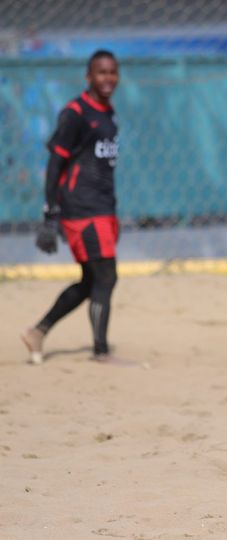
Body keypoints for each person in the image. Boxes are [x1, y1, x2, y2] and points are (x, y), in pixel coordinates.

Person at [21, 50, 121, 364]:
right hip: (82, 208)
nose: (108, 79)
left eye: (113, 72)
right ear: (88, 77)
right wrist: (51, 213)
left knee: (91, 281)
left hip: (103, 207)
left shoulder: (107, 112)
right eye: (101, 73)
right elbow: (55, 164)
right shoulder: (75, 113)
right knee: (106, 276)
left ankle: (38, 331)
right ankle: (101, 352)